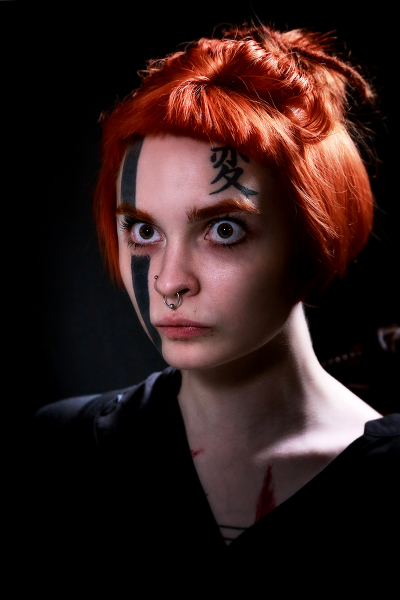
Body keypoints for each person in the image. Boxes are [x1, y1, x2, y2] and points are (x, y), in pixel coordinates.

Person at [31, 22, 399, 592]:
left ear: (313, 235)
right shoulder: (63, 452)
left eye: (223, 229)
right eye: (143, 230)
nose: (169, 281)